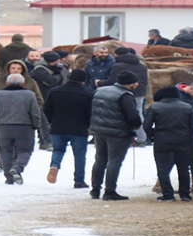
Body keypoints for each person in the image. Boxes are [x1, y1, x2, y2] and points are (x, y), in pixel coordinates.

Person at [89, 72, 144, 201]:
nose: (137, 84)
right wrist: (136, 125)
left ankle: (95, 189)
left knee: (100, 160)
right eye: (135, 82)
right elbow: (133, 116)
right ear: (129, 83)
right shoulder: (125, 95)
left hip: (99, 131)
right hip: (118, 133)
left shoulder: (100, 91)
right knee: (114, 161)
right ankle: (109, 191)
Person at [143, 86, 193, 201]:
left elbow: (146, 126)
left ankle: (168, 194)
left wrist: (154, 135)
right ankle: (185, 194)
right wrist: (186, 136)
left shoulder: (155, 107)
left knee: (162, 168)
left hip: (162, 141)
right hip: (182, 141)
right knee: (183, 168)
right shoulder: (187, 107)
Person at [0, 74, 41, 185]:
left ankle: (9, 178)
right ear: (23, 83)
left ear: (6, 83)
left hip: (3, 127)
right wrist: (36, 125)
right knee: (25, 151)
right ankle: (17, 167)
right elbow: (35, 113)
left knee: (5, 152)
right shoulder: (30, 95)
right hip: (24, 127)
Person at [43, 69, 94, 188]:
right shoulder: (88, 94)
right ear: (84, 80)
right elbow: (90, 113)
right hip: (79, 129)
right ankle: (79, 181)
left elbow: (47, 109)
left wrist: (52, 121)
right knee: (80, 155)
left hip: (58, 127)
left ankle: (54, 166)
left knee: (58, 150)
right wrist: (88, 125)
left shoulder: (55, 91)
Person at [99, 48, 150, 144]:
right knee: (138, 113)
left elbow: (112, 81)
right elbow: (145, 81)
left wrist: (100, 83)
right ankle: (142, 137)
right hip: (139, 92)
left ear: (117, 55)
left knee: (121, 114)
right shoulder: (142, 66)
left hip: (123, 92)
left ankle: (128, 136)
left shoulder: (117, 66)